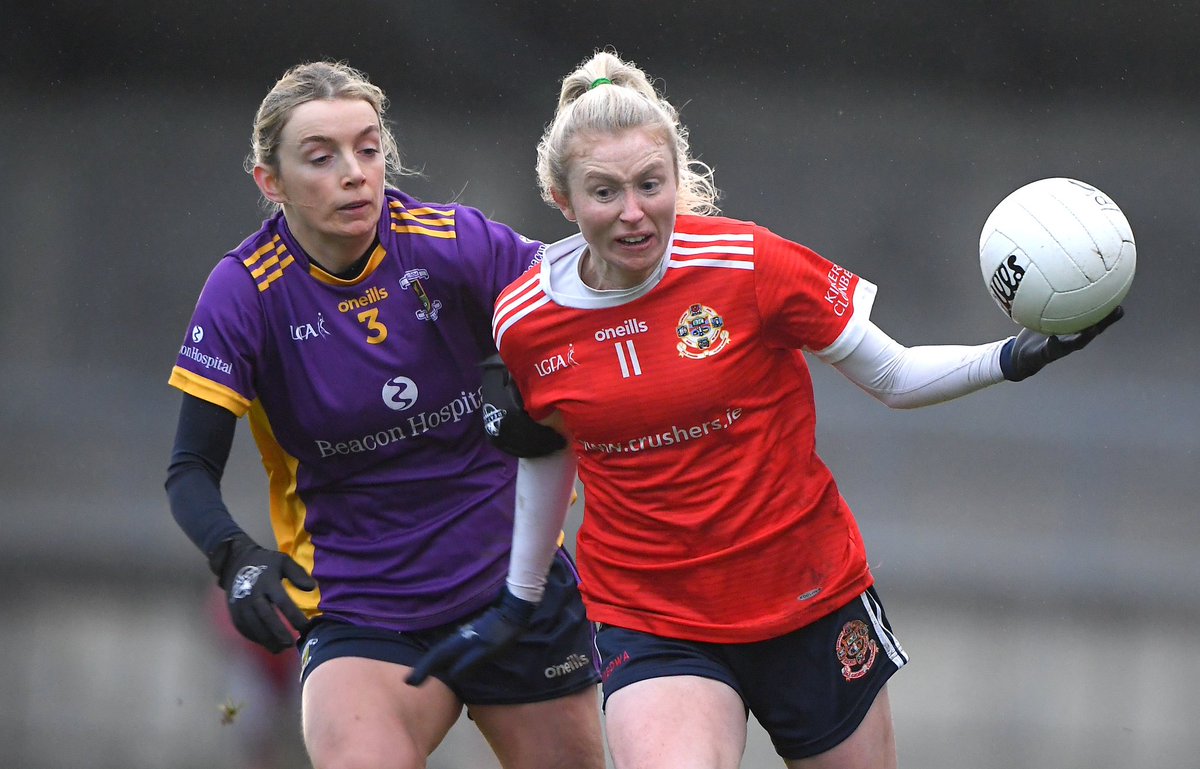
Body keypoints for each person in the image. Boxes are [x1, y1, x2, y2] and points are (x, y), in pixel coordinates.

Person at [408, 50, 1124, 769]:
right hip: (651, 615)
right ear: (563, 201)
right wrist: (521, 594)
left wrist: (1011, 358)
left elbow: (895, 375)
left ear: (676, 179)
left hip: (807, 598)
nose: (633, 212)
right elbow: (550, 448)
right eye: (604, 192)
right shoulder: (525, 317)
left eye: (650, 185)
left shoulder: (751, 265)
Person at [164, 60, 605, 769]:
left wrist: (530, 386)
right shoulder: (245, 291)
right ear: (269, 182)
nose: (355, 173)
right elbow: (189, 469)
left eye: (368, 149)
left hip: (513, 587)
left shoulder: (452, 243)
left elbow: (582, 309)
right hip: (362, 607)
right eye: (321, 156)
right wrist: (236, 558)